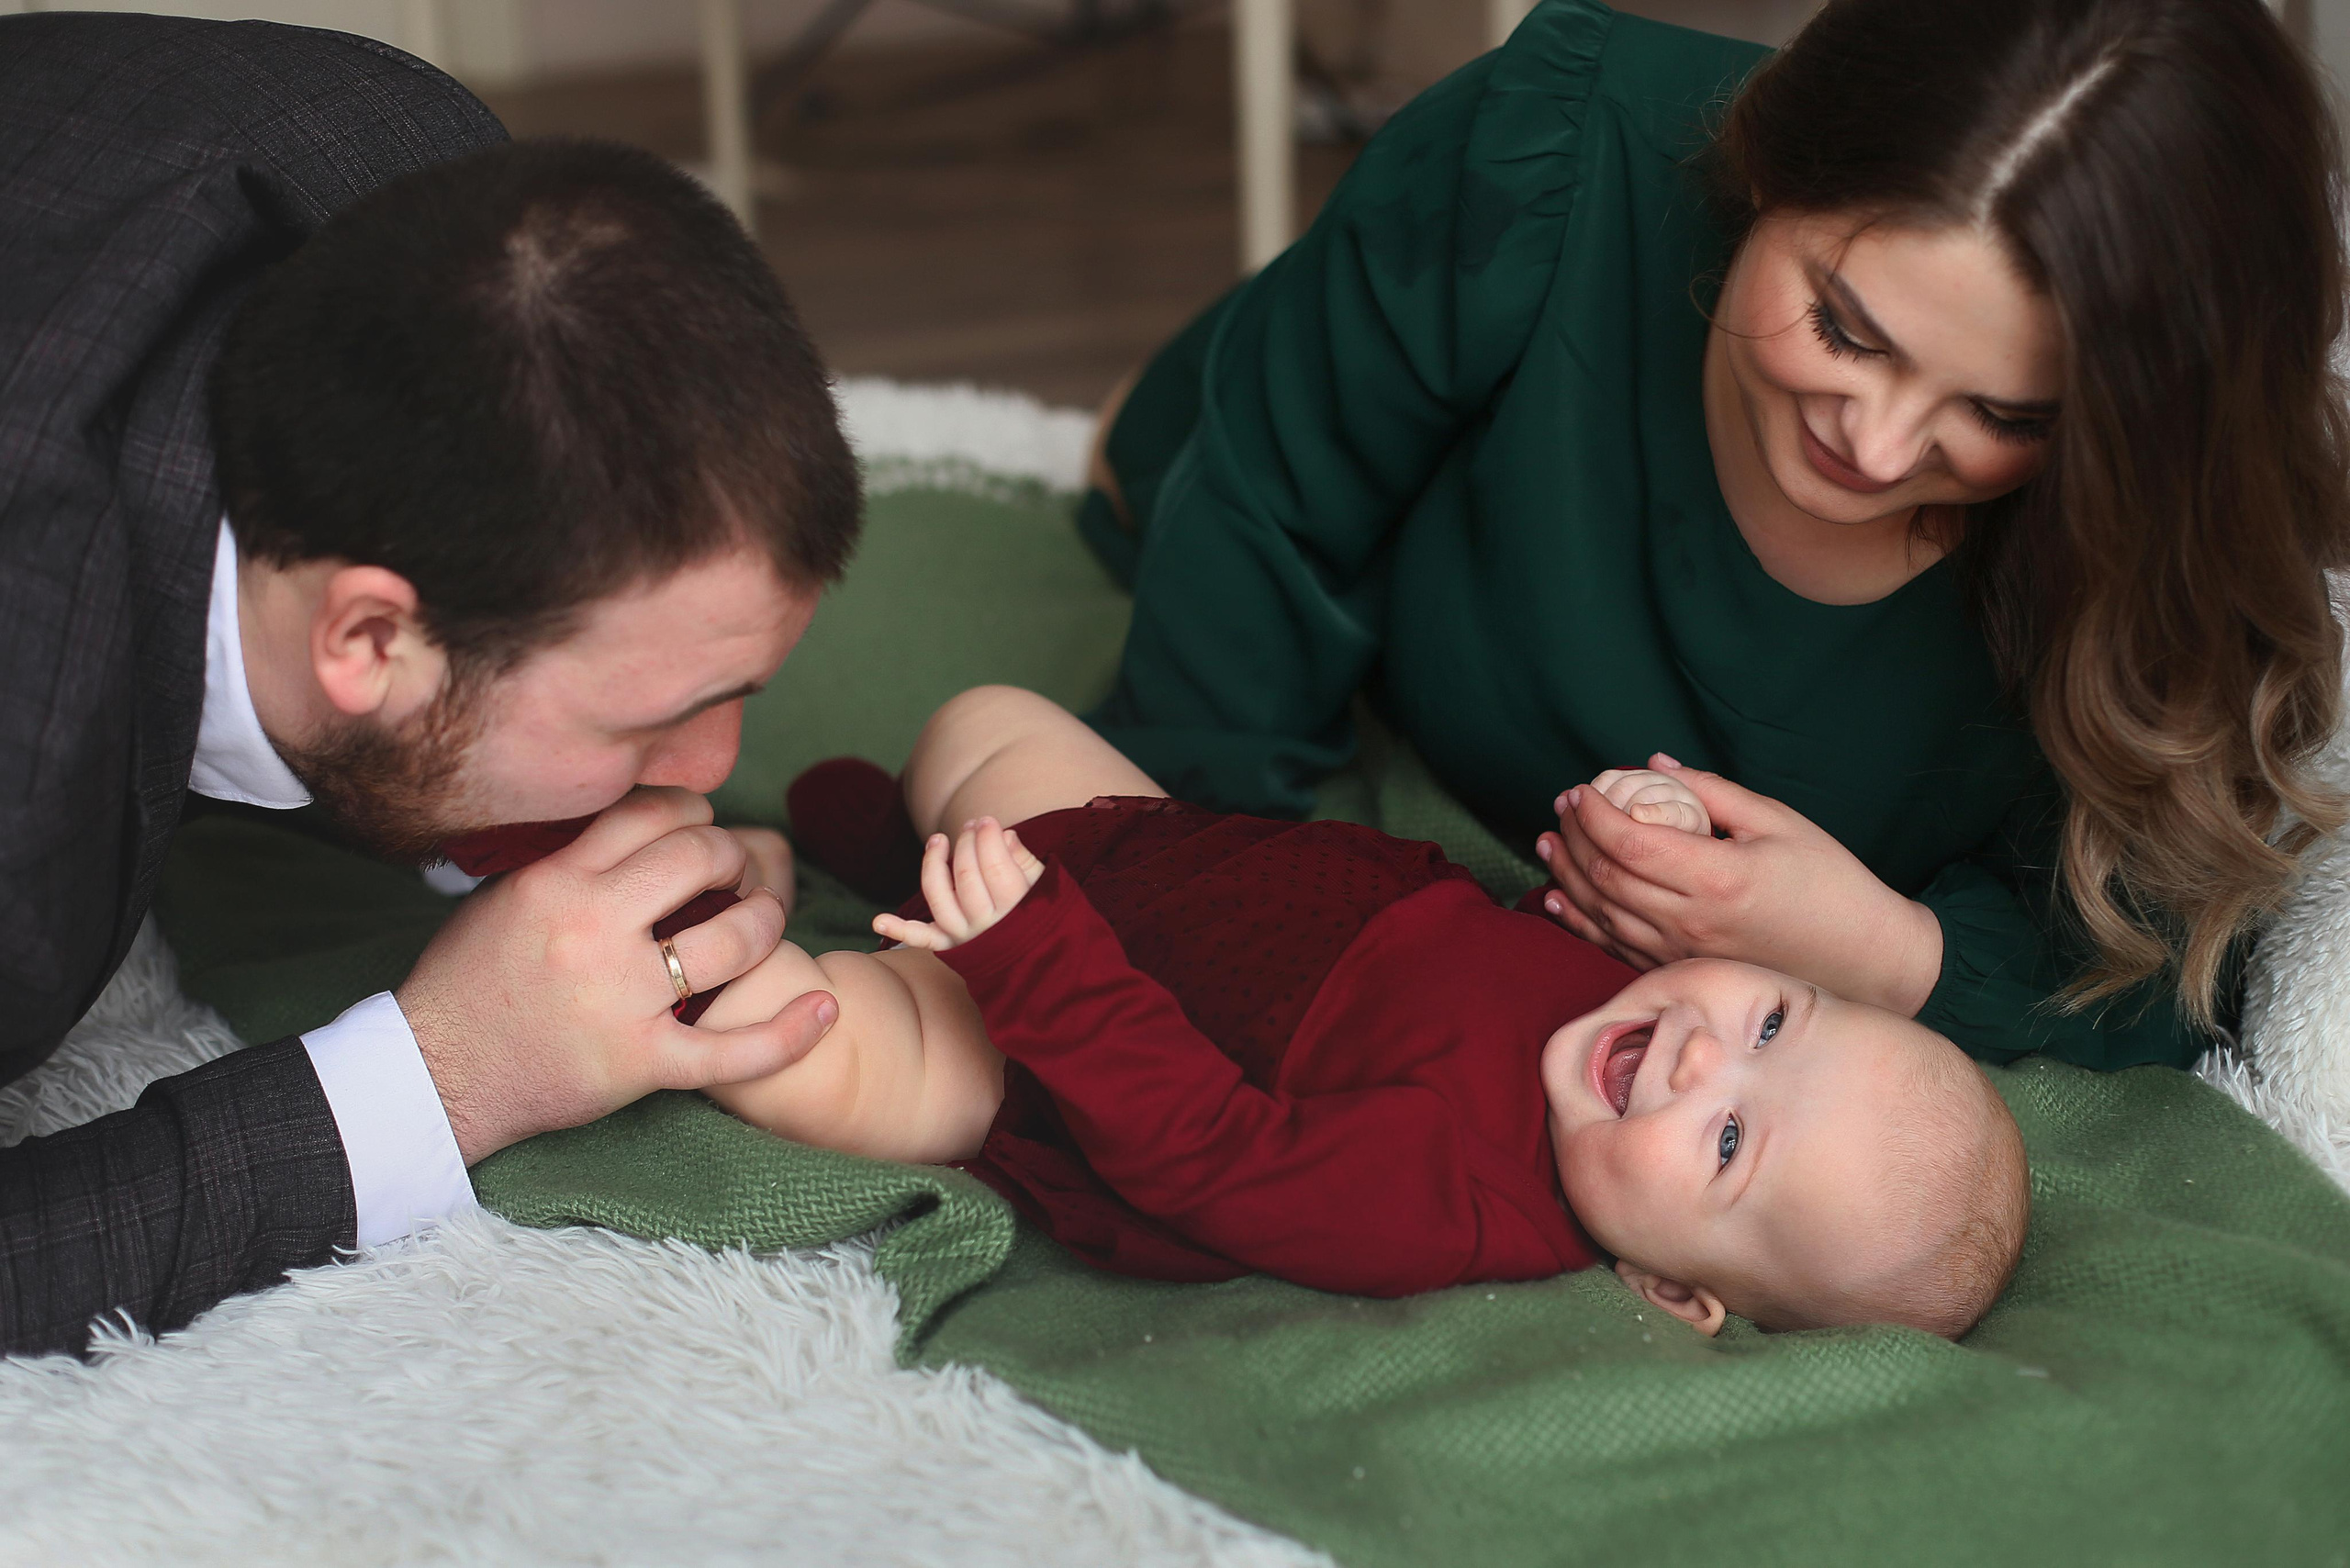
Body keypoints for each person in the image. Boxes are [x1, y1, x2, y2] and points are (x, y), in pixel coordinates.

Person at [1079, 0, 2350, 1075]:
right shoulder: (1556, 148)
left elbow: (2170, 955)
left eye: (2004, 412)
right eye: (1848, 330)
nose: (1883, 447)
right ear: (1763, 168)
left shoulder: (2171, 514)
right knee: (1189, 456)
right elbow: (1258, 532)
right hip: (1319, 450)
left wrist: (1886, 953)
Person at [0, 16, 854, 1355]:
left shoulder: (403, 154)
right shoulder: (24, 776)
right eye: (644, 716)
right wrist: (450, 1074)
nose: (707, 765)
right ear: (369, 645)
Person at [693, 687, 2030, 1340]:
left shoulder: (1453, 1203)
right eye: (1777, 1027)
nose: (1703, 1055)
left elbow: (1211, 1153)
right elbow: (1522, 954)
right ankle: (897, 860)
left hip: (1036, 1052)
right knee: (981, 724)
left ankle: (740, 897)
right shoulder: (1640, 1012)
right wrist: (1646, 838)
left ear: (1671, 1288)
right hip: (1163, 861)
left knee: (782, 1044)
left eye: (1732, 1145)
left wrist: (1027, 965)